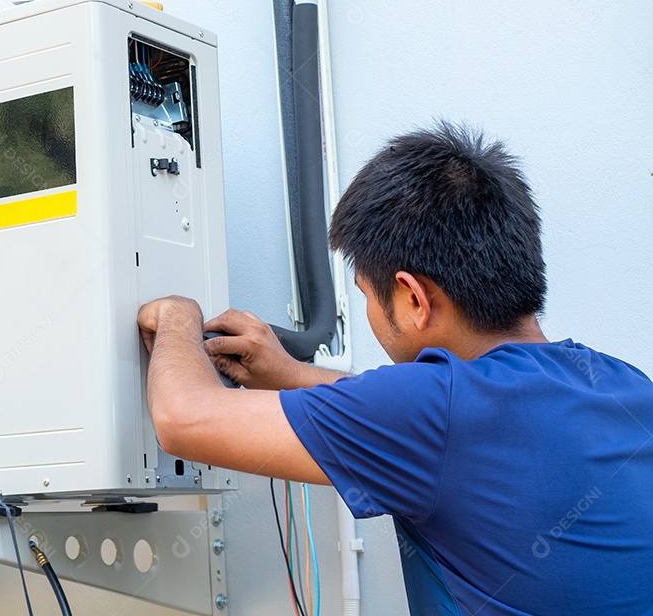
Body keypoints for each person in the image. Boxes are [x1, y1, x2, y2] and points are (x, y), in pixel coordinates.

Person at [137, 122, 653, 615]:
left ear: (412, 298)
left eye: (364, 294)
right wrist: (291, 374)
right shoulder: (623, 384)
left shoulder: (432, 410)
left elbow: (183, 419)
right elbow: (433, 423)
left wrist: (180, 314)